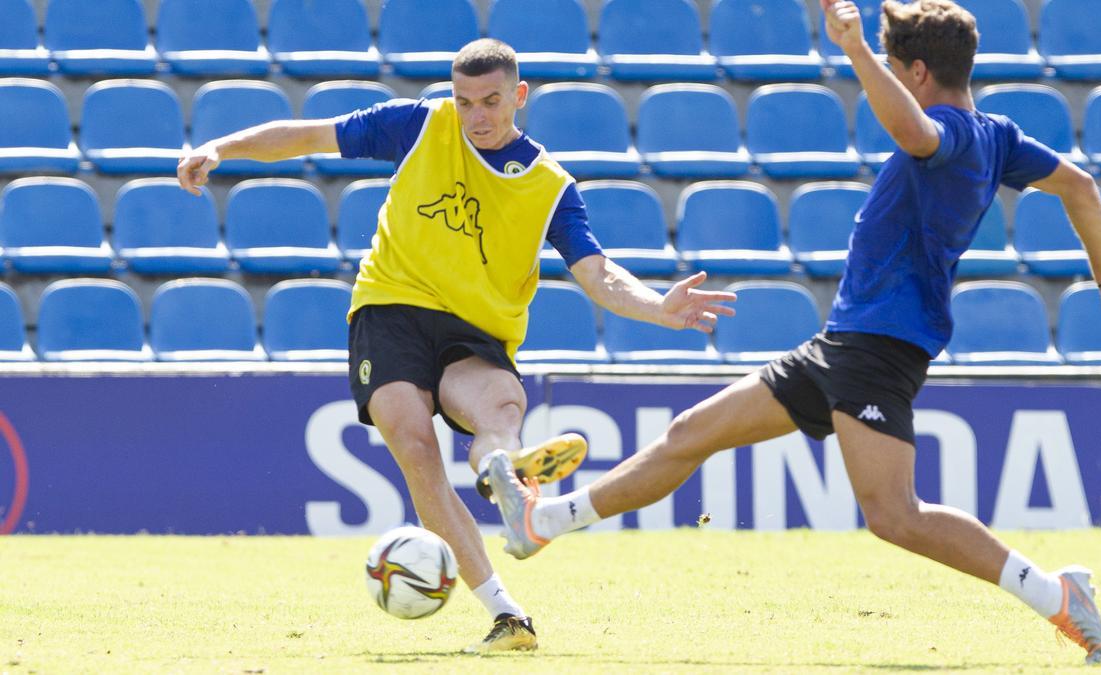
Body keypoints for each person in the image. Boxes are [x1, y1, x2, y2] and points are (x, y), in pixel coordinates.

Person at [487, 0, 1101, 665]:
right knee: (690, 432)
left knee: (895, 513)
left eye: (898, 68)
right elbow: (1078, 184)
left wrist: (857, 51)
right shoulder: (1000, 135)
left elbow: (917, 133)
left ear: (917, 73)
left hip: (878, 346)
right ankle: (539, 523)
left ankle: (1056, 593)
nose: (892, 78)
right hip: (844, 342)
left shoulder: (952, 131)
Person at [176, 39, 735, 653]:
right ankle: (507, 612)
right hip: (390, 308)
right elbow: (308, 135)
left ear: (518, 96)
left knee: (499, 407)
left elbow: (596, 273)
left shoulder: (550, 186)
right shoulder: (420, 124)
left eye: (491, 101)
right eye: (465, 101)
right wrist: (221, 147)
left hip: (475, 331)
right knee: (416, 446)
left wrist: (659, 306)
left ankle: (507, 482)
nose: (477, 116)